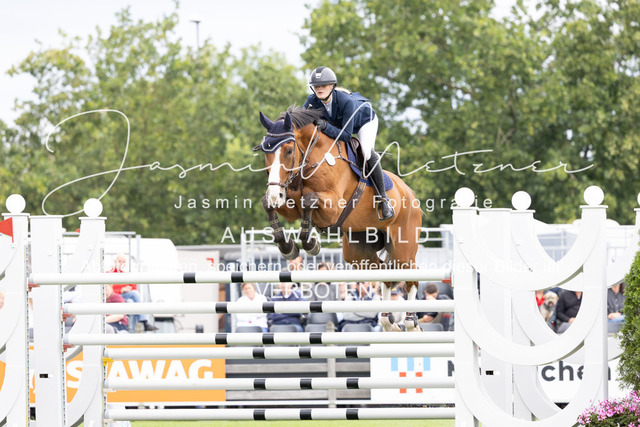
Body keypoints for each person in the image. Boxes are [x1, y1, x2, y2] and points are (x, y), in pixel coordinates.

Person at [304, 66, 394, 220]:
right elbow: (302, 123)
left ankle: (384, 200)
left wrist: (325, 126)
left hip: (364, 122)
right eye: (316, 86)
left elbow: (346, 136)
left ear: (332, 86)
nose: (319, 89)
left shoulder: (345, 101)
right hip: (340, 125)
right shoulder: (311, 102)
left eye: (323, 85)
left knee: (366, 152)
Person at [107, 254, 156, 332]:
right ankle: (143, 321)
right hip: (115, 296)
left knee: (132, 302)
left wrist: (127, 289)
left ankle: (135, 329)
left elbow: (134, 286)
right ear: (115, 262)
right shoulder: (109, 274)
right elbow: (108, 290)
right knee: (134, 296)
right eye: (120, 261)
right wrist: (120, 290)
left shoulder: (127, 274)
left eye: (123, 262)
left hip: (125, 296)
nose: (121, 263)